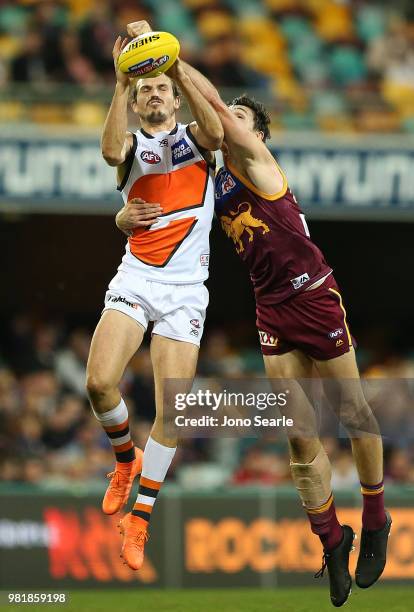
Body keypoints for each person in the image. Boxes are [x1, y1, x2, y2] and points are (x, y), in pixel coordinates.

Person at [117, 56, 391, 607]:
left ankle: (377, 519)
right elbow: (149, 198)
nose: (229, 119)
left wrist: (172, 61)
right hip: (270, 308)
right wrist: (121, 216)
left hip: (313, 294)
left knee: (354, 411)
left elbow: (218, 113)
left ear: (258, 133)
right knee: (299, 435)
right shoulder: (209, 178)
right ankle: (332, 540)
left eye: (242, 115)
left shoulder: (260, 161)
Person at [86, 21, 223, 572]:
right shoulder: (134, 144)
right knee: (98, 382)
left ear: (171, 92)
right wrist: (122, 81)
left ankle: (140, 516)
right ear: (137, 99)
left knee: (174, 408)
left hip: (186, 291)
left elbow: (215, 134)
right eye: (146, 91)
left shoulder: (193, 138)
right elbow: (107, 149)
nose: (153, 95)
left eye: (159, 88)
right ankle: (125, 459)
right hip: (138, 277)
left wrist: (173, 63)